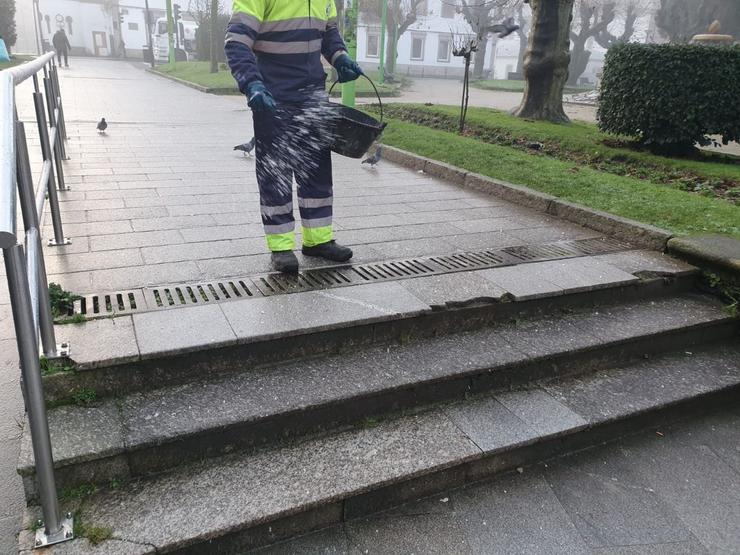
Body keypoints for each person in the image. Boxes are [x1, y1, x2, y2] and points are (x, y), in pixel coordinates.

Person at [225, 0, 363, 274]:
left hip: (312, 93)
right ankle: (281, 247)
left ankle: (318, 240)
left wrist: (340, 56)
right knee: (275, 172)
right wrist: (251, 82)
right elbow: (237, 42)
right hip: (272, 94)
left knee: (316, 170)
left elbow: (329, 32)